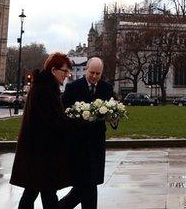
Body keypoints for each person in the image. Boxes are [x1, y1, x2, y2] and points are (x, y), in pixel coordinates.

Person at [10, 52, 74, 208]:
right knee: (46, 192)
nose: (66, 75)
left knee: (33, 191)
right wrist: (72, 122)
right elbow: (52, 121)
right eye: (64, 71)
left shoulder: (43, 86)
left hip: (37, 151)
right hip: (41, 151)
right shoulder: (45, 89)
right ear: (53, 70)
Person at [59, 57, 116, 209]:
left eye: (98, 73)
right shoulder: (73, 87)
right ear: (86, 70)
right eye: (92, 72)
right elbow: (63, 112)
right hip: (78, 142)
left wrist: (114, 119)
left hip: (96, 142)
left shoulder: (106, 88)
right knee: (86, 184)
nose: (94, 76)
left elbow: (113, 110)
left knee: (89, 183)